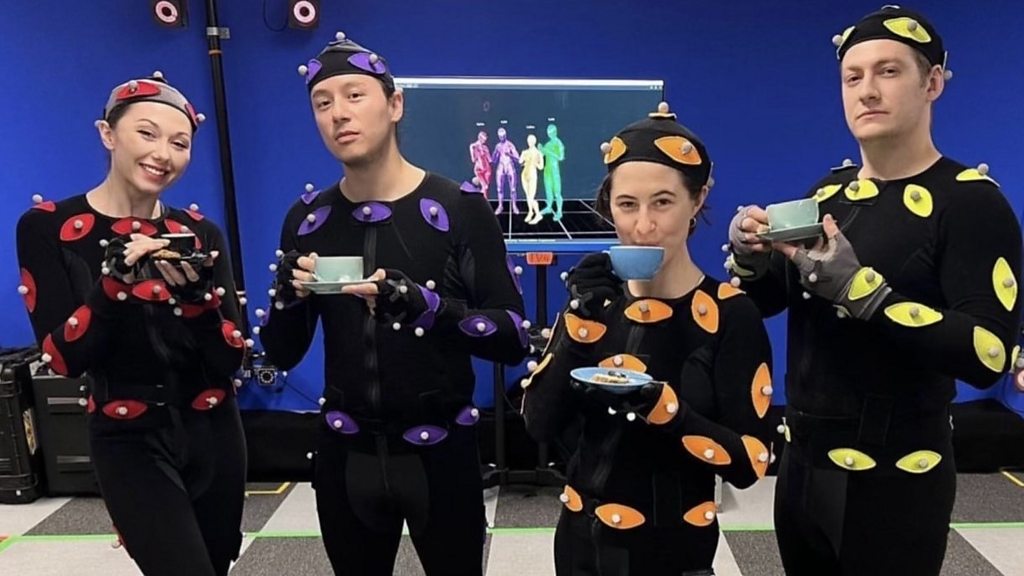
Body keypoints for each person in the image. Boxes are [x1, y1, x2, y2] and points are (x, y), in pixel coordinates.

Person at [725, 6, 1022, 575]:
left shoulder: (972, 202)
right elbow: (771, 300)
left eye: (888, 71)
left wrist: (865, 293)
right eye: (852, 77)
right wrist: (751, 255)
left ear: (933, 83)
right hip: (803, 467)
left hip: (899, 476)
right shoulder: (829, 193)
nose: (867, 91)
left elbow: (987, 353)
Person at [257, 32, 529, 576]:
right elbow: (282, 354)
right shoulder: (307, 219)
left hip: (442, 456)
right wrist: (288, 297)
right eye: (322, 103)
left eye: (354, 95)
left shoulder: (459, 207)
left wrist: (428, 310)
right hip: (345, 456)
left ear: (395, 104)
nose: (338, 113)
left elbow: (513, 338)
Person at [522, 102, 774, 576]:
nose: (642, 226)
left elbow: (750, 463)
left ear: (697, 200)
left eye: (662, 202)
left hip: (674, 554)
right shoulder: (595, 303)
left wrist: (669, 412)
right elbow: (538, 424)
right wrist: (578, 325)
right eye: (626, 205)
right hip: (578, 549)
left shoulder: (731, 314)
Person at [16, 72, 247, 576]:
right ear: (108, 134)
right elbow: (62, 358)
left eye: (179, 143)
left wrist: (198, 301)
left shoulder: (199, 232)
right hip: (127, 438)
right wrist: (114, 285)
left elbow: (231, 358)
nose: (163, 153)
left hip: (214, 432)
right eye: (147, 133)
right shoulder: (48, 227)